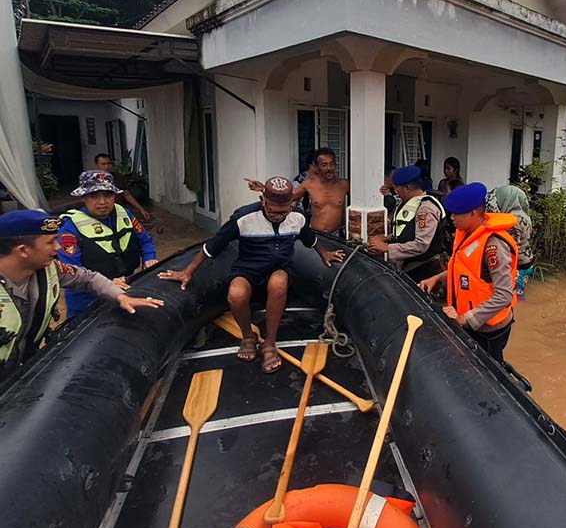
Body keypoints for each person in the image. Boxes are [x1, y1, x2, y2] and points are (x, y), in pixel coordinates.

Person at [158, 177, 345, 373]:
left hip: (280, 267)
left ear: (291, 204)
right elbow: (212, 246)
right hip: (248, 268)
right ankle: (248, 336)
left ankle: (270, 344)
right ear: (262, 201)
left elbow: (310, 239)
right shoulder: (243, 217)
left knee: (279, 282)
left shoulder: (297, 216)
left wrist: (325, 254)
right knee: (236, 294)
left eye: (283, 212)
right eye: (273, 211)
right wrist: (187, 272)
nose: (278, 217)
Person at [0, 210, 163, 383]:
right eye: (50, 242)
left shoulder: (49, 269)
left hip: (22, 363)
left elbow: (87, 278)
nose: (58, 247)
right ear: (23, 250)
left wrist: (121, 296)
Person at [419, 183, 519, 364]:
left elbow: (503, 295)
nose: (451, 217)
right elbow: (467, 271)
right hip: (468, 321)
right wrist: (437, 278)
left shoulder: (493, 246)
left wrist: (465, 319)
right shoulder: (466, 233)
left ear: (473, 213)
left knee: (490, 371)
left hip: (488, 329)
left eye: (457, 213)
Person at [58, 171, 158, 318]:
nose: (102, 202)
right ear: (83, 197)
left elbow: (145, 240)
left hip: (126, 288)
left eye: (108, 195)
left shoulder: (124, 214)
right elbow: (72, 272)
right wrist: (107, 285)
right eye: (94, 196)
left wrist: (150, 259)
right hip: (87, 301)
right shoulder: (69, 228)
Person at [368, 165, 446, 283]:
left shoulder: (426, 208)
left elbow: (421, 244)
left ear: (407, 187)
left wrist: (387, 248)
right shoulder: (408, 204)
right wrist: (385, 239)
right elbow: (405, 231)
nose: (396, 192)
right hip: (408, 268)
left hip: (425, 272)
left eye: (396, 188)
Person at [486, 186, 534, 300]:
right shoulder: (523, 215)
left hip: (519, 266)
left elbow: (511, 248)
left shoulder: (513, 220)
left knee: (513, 298)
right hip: (526, 261)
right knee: (516, 295)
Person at [292, 149, 350, 235]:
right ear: (316, 167)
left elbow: (360, 201)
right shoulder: (308, 184)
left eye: (332, 164)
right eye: (324, 165)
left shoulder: (344, 184)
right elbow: (288, 199)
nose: (329, 168)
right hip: (316, 234)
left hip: (338, 235)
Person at [95, 153, 151, 221]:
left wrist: (141, 209)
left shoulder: (118, 177)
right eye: (103, 164)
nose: (106, 166)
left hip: (117, 211)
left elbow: (126, 194)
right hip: (100, 212)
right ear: (97, 166)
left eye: (109, 163)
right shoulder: (92, 180)